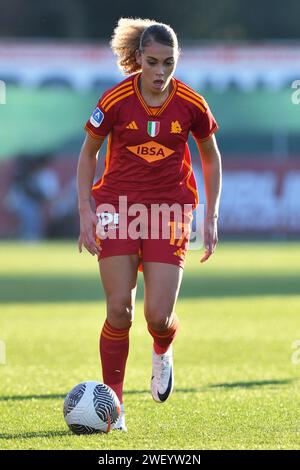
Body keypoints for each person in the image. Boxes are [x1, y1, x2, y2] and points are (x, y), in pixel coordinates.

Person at [77, 18, 222, 431]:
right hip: (117, 207)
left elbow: (210, 156)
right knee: (120, 310)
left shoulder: (192, 103)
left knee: (158, 315)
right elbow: (88, 155)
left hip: (170, 211)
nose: (161, 73)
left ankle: (162, 348)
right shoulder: (116, 99)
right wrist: (86, 210)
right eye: (154, 62)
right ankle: (113, 408)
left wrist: (210, 213)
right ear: (139, 58)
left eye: (169, 63)